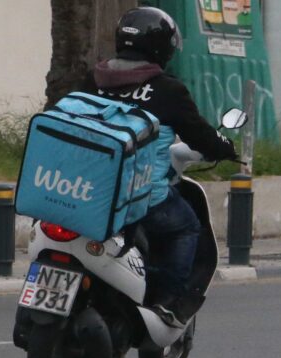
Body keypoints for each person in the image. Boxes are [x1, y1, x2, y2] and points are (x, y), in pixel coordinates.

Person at [89, 7, 238, 326]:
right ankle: (167, 301)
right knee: (186, 227)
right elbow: (200, 136)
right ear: (162, 48)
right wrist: (225, 148)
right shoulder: (167, 89)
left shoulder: (92, 81)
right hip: (139, 197)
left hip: (84, 192)